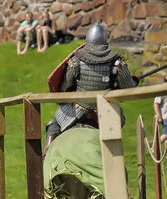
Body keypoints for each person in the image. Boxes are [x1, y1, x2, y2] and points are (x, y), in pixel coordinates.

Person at [43, 24, 138, 155]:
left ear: (88, 40)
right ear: (105, 41)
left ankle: (44, 157)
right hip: (105, 112)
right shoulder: (116, 63)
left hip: (77, 110)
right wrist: (133, 81)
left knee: (53, 125)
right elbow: (129, 89)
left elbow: (64, 88)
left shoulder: (76, 61)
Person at [154, 76, 167, 144]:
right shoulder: (161, 91)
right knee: (166, 134)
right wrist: (159, 116)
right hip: (165, 116)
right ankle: (154, 148)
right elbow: (156, 104)